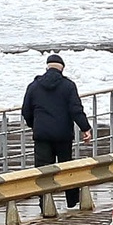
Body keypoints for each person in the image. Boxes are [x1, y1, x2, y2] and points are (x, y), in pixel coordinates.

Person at [21, 52, 92, 203]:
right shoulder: (68, 86)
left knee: (43, 172)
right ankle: (72, 201)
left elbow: (26, 111)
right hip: (63, 135)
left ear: (47, 68)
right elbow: (76, 110)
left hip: (42, 136)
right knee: (67, 169)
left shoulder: (34, 86)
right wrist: (85, 128)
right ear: (62, 69)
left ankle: (45, 204)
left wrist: (34, 125)